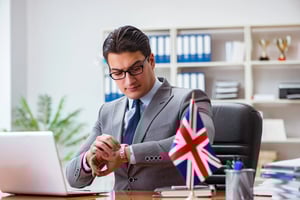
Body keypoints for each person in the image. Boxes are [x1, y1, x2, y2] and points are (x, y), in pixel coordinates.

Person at [66, 25, 215, 191]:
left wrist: (126, 154)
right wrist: (89, 158)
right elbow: (73, 178)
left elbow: (198, 142)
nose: (128, 81)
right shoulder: (107, 112)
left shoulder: (189, 99)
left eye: (135, 69)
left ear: (151, 61)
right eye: (117, 73)